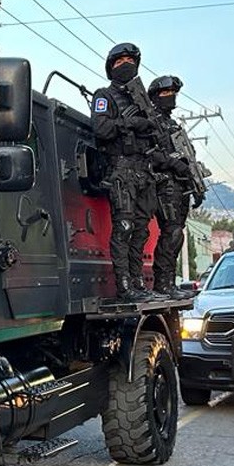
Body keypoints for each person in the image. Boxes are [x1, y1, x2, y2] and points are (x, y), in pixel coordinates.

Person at [92, 42, 166, 302]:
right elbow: (100, 129)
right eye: (120, 61)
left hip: (143, 172)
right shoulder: (104, 96)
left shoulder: (141, 100)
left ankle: (137, 284)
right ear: (110, 67)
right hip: (121, 170)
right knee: (123, 227)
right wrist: (129, 123)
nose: (126, 65)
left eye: (130, 61)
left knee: (141, 230)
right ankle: (125, 288)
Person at [147, 75, 196, 299]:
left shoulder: (173, 124)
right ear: (155, 97)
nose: (170, 97)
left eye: (173, 93)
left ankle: (169, 283)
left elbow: (189, 158)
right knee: (172, 233)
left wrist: (195, 185)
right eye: (165, 93)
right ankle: (163, 284)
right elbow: (148, 152)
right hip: (164, 183)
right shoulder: (151, 121)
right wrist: (171, 162)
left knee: (177, 234)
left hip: (180, 186)